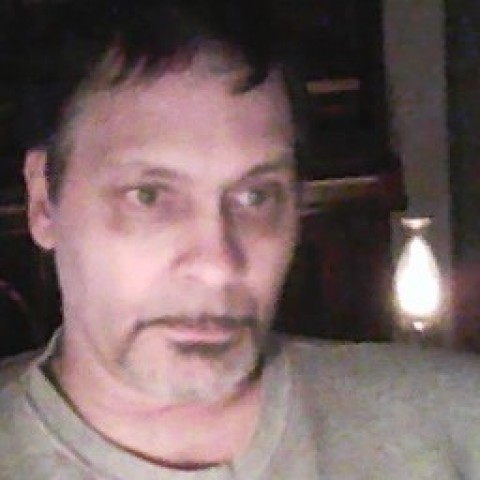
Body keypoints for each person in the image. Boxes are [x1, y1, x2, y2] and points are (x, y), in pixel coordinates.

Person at [1, 1, 480, 478]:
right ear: (44, 202)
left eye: (255, 196)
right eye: (148, 196)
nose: (217, 263)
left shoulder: (457, 425)